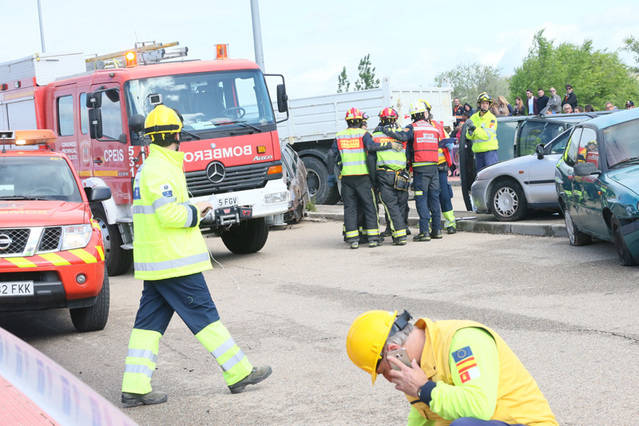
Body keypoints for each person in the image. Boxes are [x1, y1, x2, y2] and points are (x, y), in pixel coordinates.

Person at [121, 104, 271, 407]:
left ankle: (134, 385)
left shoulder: (153, 167)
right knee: (205, 317)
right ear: (176, 135)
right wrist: (197, 211)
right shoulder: (160, 170)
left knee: (147, 326)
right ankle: (238, 371)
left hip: (160, 263)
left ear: (152, 137)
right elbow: (170, 215)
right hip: (173, 262)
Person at [346, 310, 558, 425]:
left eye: (383, 371)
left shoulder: (462, 341)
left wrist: (424, 389)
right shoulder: (416, 370)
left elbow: (479, 407)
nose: (388, 378)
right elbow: (422, 419)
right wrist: (422, 389)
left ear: (393, 351)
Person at [328, 107, 394, 249]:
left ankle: (353, 240)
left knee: (350, 208)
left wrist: (332, 174)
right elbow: (372, 147)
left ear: (348, 121)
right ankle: (373, 238)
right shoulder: (364, 134)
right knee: (369, 206)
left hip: (346, 178)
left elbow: (331, 155)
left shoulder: (339, 136)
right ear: (360, 121)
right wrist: (388, 145)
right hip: (363, 177)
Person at [383, 102, 442, 241]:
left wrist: (387, 131)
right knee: (434, 199)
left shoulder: (413, 128)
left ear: (414, 116)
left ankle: (424, 232)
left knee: (421, 199)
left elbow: (402, 137)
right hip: (434, 168)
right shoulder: (434, 129)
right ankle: (437, 230)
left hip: (421, 169)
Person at [372, 107, 409, 245]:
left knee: (391, 205)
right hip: (401, 174)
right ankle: (401, 231)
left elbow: (370, 153)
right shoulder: (402, 134)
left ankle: (399, 235)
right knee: (401, 204)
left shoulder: (375, 136)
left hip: (385, 174)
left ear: (381, 119)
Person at [466, 93, 499, 172]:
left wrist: (474, 129)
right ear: (479, 104)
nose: (485, 105)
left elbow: (486, 135)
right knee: (480, 177)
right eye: (483, 103)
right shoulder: (473, 117)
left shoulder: (492, 119)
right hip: (478, 153)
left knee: (491, 175)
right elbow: (468, 136)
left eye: (487, 103)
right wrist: (470, 132)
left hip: (490, 152)